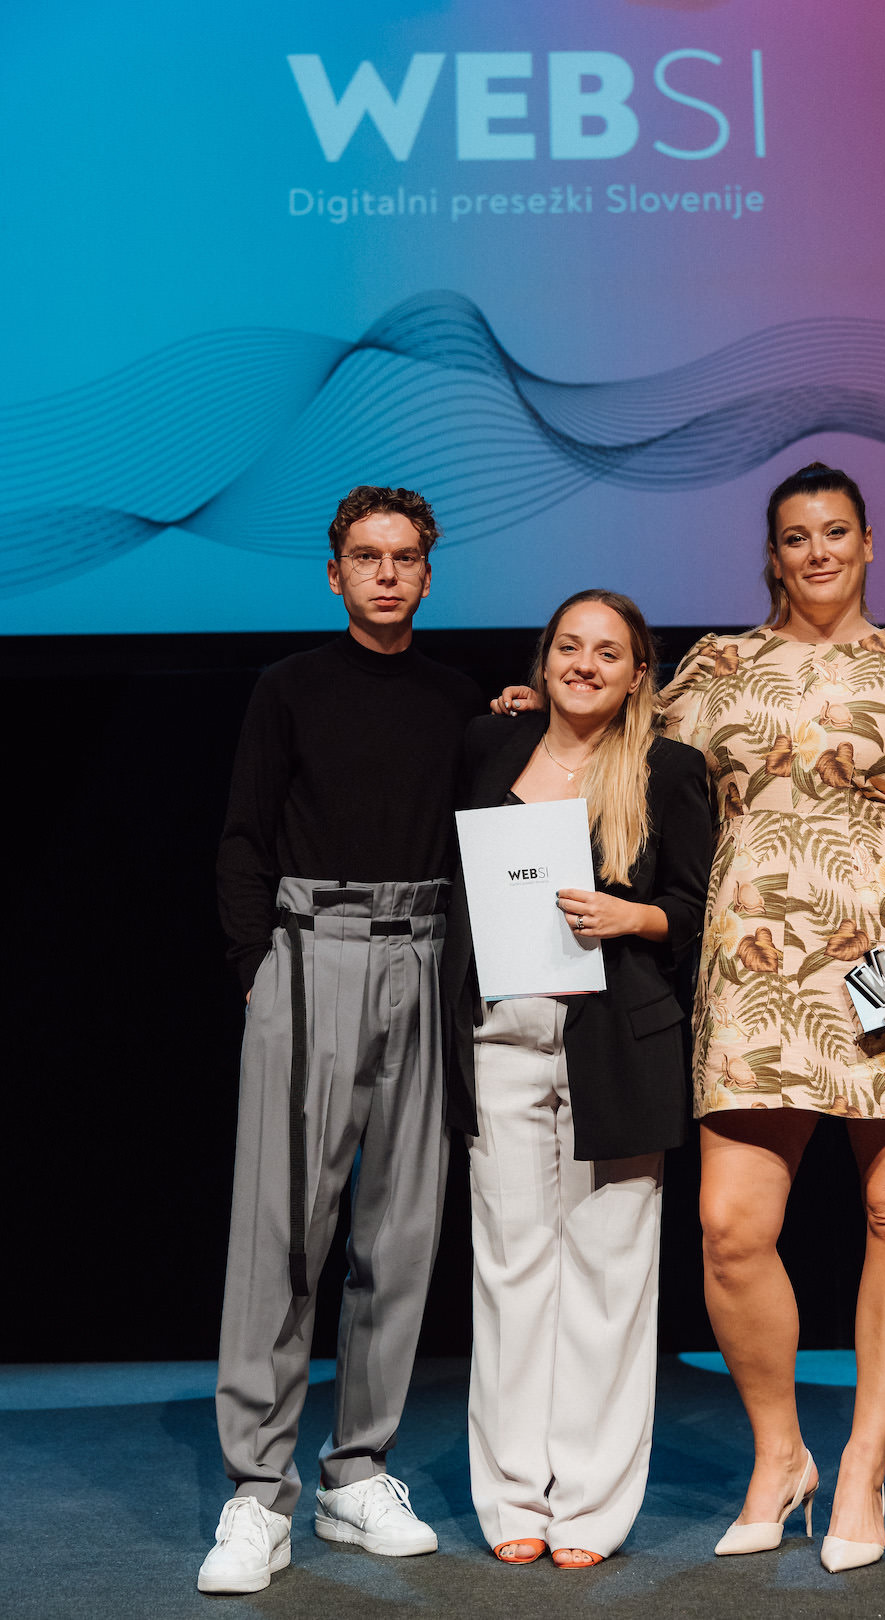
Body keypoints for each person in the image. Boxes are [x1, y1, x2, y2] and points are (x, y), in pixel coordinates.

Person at [493, 463, 885, 1571]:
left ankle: (861, 1467)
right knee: (730, 1229)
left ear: (868, 543)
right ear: (773, 554)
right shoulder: (718, 668)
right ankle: (781, 1455)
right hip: (753, 967)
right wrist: (546, 709)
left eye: (836, 532)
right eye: (796, 537)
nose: (818, 552)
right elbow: (620, 733)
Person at [199, 485, 484, 1594]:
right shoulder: (289, 688)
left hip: (424, 955)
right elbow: (242, 835)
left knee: (400, 1234)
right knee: (281, 1233)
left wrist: (512, 714)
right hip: (310, 955)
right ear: (334, 573)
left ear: (428, 573)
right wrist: (256, 969)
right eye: (367, 557)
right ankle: (255, 1492)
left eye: (405, 557)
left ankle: (357, 1471)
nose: (386, 574)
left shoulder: (457, 699)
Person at [443, 590, 711, 1569]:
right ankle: (513, 1493)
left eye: (607, 652)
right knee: (509, 1272)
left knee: (608, 1277)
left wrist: (630, 917)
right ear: (543, 659)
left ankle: (592, 1507)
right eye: (569, 646)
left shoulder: (668, 769)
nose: (585, 664)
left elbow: (695, 908)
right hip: (502, 1041)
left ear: (639, 674)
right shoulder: (490, 745)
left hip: (618, 1048)